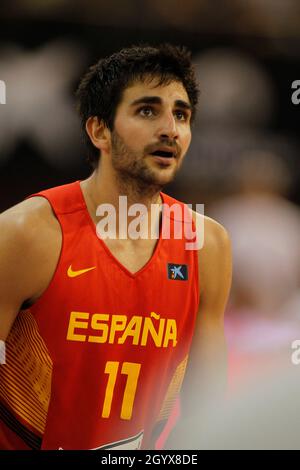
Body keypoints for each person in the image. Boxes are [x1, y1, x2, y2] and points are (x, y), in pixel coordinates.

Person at [0, 44, 232, 450]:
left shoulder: (207, 244)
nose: (170, 129)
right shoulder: (25, 233)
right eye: (147, 110)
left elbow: (209, 407)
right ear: (99, 131)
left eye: (181, 115)